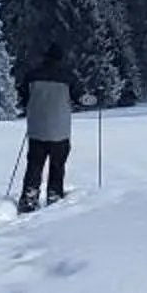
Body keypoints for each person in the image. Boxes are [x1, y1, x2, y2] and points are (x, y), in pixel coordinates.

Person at [18, 48, 88, 213]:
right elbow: (80, 98)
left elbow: (22, 97)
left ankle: (30, 197)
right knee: (57, 165)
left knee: (34, 165)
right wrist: (93, 99)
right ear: (61, 58)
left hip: (36, 129)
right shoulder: (68, 77)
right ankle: (54, 195)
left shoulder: (32, 75)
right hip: (60, 131)